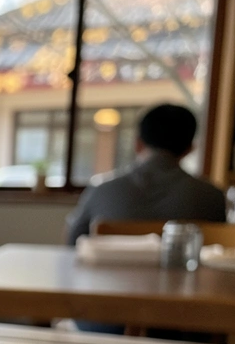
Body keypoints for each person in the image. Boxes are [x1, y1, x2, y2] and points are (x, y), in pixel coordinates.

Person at [65, 104, 225, 244]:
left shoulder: (102, 191)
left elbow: (73, 244)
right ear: (190, 148)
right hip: (184, 279)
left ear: (138, 144)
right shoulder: (213, 197)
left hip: (112, 278)